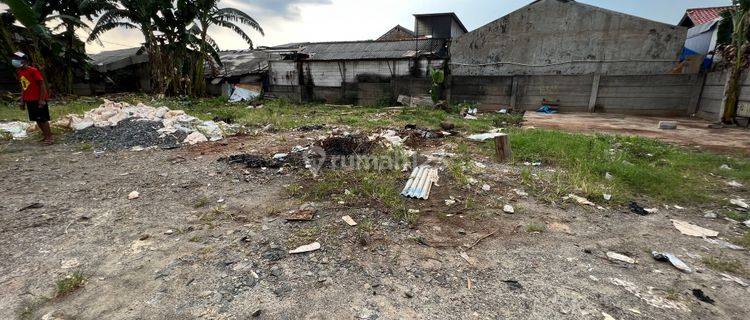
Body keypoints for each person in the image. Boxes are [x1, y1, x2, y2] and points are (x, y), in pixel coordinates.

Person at [12, 52, 52, 144]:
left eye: (17, 59)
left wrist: (42, 99)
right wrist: (22, 101)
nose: (15, 61)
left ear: (25, 61)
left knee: (43, 119)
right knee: (37, 119)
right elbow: (23, 87)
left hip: (38, 99)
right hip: (29, 99)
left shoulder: (33, 71)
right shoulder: (20, 72)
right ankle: (45, 136)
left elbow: (42, 85)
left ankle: (49, 137)